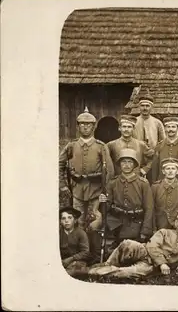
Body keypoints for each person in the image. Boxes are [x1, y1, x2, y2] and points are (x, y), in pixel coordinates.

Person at [59, 107, 114, 259]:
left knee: (95, 222)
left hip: (96, 191)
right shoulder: (71, 146)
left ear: (93, 127)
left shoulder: (100, 146)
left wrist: (106, 191)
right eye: (82, 124)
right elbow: (60, 165)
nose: (85, 127)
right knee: (78, 222)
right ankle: (79, 253)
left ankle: (95, 254)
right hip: (77, 191)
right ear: (78, 126)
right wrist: (63, 185)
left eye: (88, 124)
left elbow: (109, 170)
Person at [88, 210, 178, 278]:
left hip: (151, 266)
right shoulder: (164, 232)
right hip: (144, 252)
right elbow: (152, 246)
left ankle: (94, 272)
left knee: (127, 273)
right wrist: (162, 263)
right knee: (127, 244)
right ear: (176, 223)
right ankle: (108, 264)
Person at [98, 149, 154, 247]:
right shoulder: (113, 183)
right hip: (117, 223)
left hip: (136, 223)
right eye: (123, 162)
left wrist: (145, 230)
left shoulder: (143, 183)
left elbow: (149, 208)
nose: (126, 165)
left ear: (135, 164)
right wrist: (102, 202)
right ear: (119, 164)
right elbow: (106, 208)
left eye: (130, 162)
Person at [151, 116, 178, 182]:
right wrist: (154, 182)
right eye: (168, 127)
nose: (170, 129)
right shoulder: (159, 146)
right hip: (162, 182)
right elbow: (155, 168)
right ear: (165, 128)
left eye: (173, 127)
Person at [59, 207, 91, 277]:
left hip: (77, 262)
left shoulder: (81, 233)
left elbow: (85, 252)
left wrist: (71, 259)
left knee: (74, 271)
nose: (66, 221)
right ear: (60, 221)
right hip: (62, 261)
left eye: (70, 218)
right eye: (63, 218)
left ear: (75, 220)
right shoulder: (58, 233)